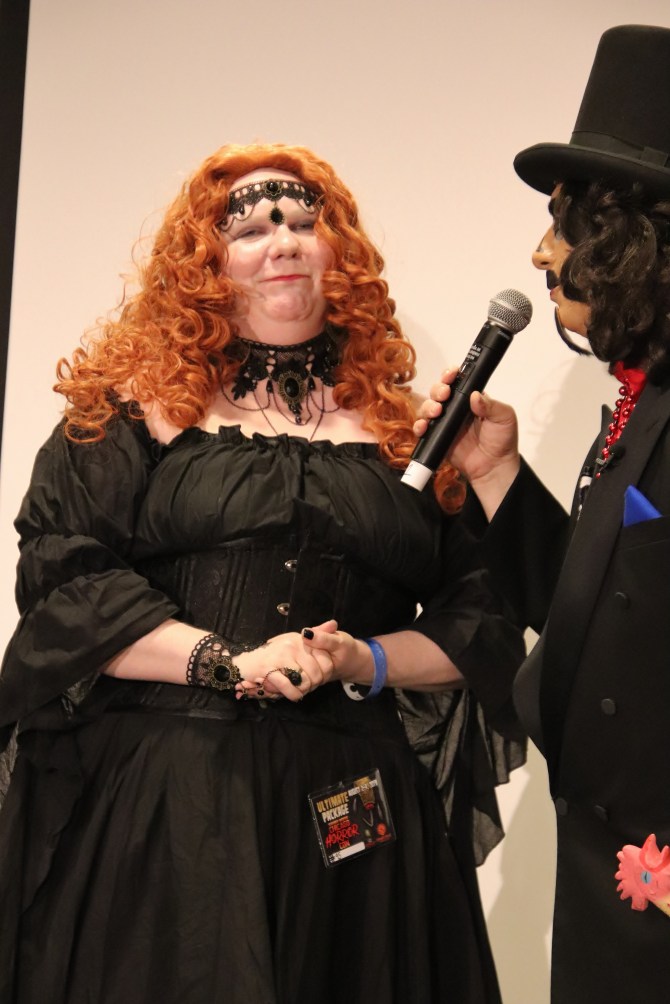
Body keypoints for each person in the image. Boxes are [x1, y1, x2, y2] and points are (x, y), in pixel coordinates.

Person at [0, 142, 525, 1004]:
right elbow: (67, 591)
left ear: (337, 250)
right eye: (248, 229)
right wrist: (227, 663)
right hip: (172, 798)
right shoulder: (130, 409)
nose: (281, 241)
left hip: (357, 800)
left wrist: (363, 658)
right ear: (206, 264)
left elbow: (482, 626)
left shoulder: (414, 435)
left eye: (303, 223)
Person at [416, 23, 670, 1004]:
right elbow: (594, 608)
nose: (540, 251)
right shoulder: (641, 403)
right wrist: (496, 474)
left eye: (564, 223)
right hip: (610, 883)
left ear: (633, 238)